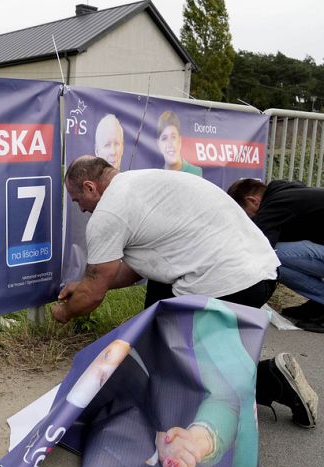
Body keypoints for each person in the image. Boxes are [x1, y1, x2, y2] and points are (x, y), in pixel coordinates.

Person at [52, 156, 318, 430]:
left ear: (90, 187)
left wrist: (63, 311)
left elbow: (94, 293)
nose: (81, 209)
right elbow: (130, 270)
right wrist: (86, 285)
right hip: (260, 271)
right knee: (161, 334)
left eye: (77, 200)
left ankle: (272, 380)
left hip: (228, 277)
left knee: (175, 358)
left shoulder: (109, 212)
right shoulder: (144, 182)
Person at [227, 178, 324, 332]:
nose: (250, 221)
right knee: (276, 256)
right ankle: (319, 303)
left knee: (273, 257)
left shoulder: (274, 204)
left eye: (247, 216)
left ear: (253, 201)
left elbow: (259, 249)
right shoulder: (288, 195)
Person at [156, 111, 203, 177]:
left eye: (173, 137)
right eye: (164, 138)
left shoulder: (195, 172)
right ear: (158, 144)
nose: (169, 144)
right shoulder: (157, 176)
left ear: (179, 141)